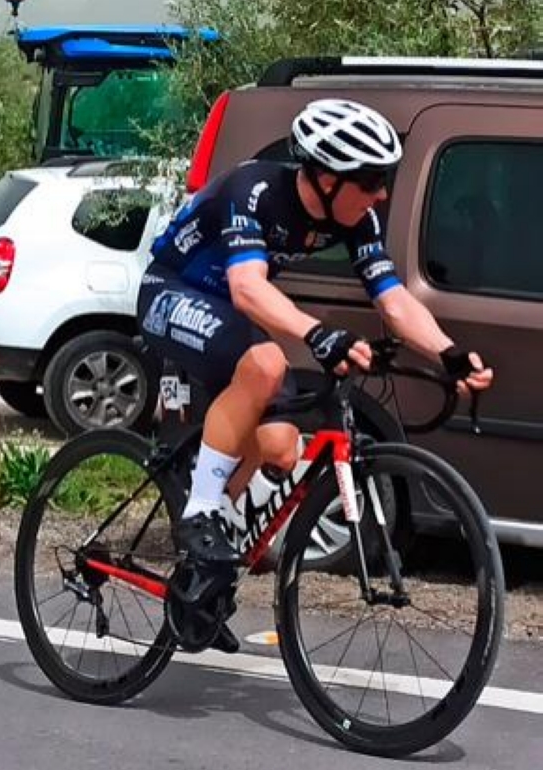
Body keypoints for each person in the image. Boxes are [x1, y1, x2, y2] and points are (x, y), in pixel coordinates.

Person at [139, 98, 494, 635]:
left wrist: (448, 353)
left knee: (281, 447)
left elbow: (393, 300)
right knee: (267, 361)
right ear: (327, 178)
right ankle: (200, 515)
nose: (382, 193)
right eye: (372, 180)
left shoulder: (357, 218)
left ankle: (201, 571)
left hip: (228, 317)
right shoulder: (253, 190)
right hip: (171, 292)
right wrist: (317, 332)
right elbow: (247, 286)